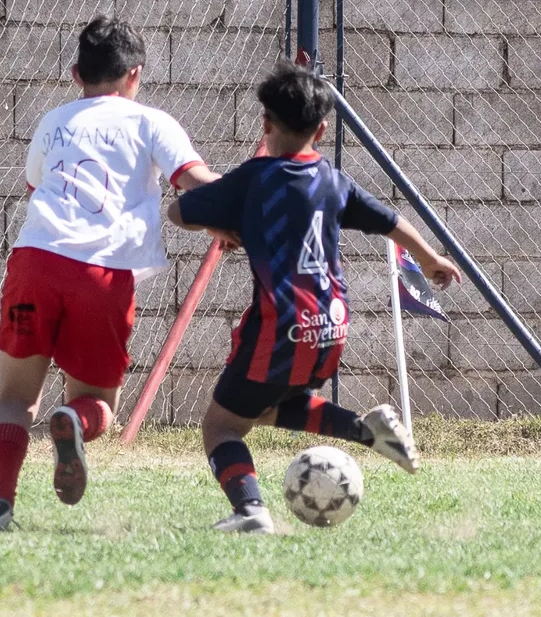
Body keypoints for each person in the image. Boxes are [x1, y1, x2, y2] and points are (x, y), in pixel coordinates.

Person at [166, 62, 462, 535]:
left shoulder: (254, 179)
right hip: (332, 324)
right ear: (322, 130)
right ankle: (365, 430)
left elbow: (179, 212)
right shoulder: (332, 180)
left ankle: (250, 511)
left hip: (280, 324)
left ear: (265, 124)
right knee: (263, 407)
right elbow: (390, 220)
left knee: (221, 426)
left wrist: (221, 223)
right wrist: (430, 260)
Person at [0, 15, 220, 532]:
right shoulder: (151, 122)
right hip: (102, 276)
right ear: (135, 73)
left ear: (75, 74)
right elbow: (194, 180)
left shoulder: (54, 121)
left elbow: (36, 185)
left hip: (35, 261)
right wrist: (243, 207)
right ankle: (74, 422)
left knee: (15, 397)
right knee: (98, 405)